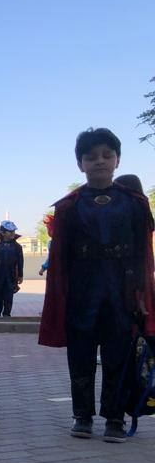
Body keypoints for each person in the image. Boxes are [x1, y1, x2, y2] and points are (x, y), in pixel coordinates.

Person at [40, 130, 155, 442]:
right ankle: (82, 416)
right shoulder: (69, 206)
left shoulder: (134, 203)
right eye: (91, 157)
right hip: (82, 289)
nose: (99, 161)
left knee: (119, 353)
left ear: (118, 160)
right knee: (81, 353)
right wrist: (61, 297)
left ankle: (115, 418)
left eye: (107, 155)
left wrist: (143, 294)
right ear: (81, 164)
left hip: (122, 289)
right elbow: (61, 258)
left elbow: (143, 253)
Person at [0, 219, 24, 316]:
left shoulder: (17, 247)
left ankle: (7, 314)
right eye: (10, 231)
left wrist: (20, 275)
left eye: (13, 231)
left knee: (8, 298)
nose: (13, 233)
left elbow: (20, 262)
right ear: (2, 233)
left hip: (11, 277)